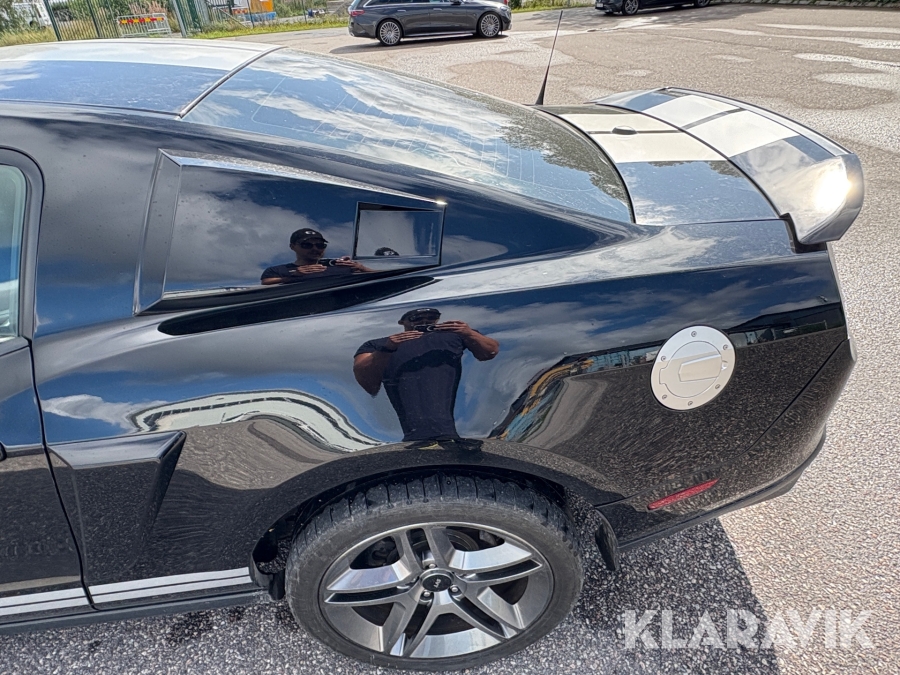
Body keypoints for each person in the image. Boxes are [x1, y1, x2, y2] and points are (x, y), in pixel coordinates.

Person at [353, 308, 500, 442]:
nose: (424, 321)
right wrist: (387, 348)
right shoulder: (378, 344)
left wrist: (468, 333)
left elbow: (489, 352)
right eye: (416, 318)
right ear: (402, 322)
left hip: (463, 421)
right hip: (399, 429)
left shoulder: (455, 335)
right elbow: (365, 378)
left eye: (432, 317)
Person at [261, 228, 371, 285]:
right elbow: (265, 283)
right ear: (292, 247)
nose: (315, 249)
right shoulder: (278, 271)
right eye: (307, 245)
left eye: (320, 245)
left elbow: (378, 276)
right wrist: (294, 276)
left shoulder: (340, 267)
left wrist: (362, 268)